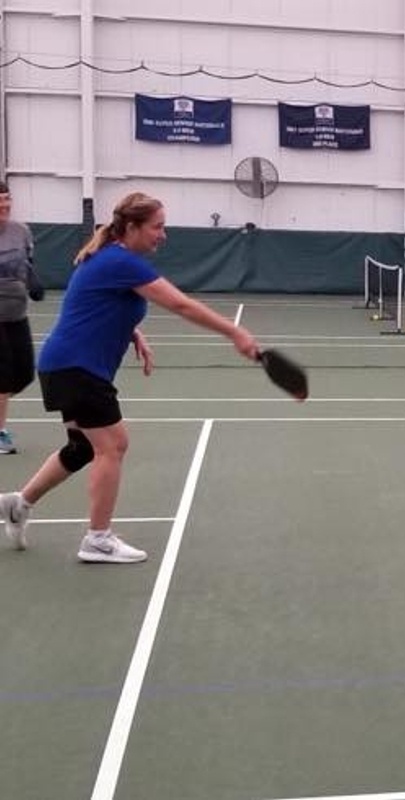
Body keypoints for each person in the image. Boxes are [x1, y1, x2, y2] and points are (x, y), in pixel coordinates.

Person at [0, 191, 260, 563]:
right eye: (157, 227)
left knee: (84, 447)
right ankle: (97, 539)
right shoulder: (122, 262)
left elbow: (90, 303)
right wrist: (235, 333)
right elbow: (180, 304)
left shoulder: (108, 258)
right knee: (113, 444)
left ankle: (18, 504)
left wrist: (132, 332)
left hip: (66, 365)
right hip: (77, 368)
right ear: (133, 227)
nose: (163, 235)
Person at [0, 182, 44, 453]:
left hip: (18, 311)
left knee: (24, 372)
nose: (4, 205)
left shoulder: (21, 231)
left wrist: (32, 281)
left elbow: (27, 263)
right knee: (2, 374)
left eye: (7, 200)